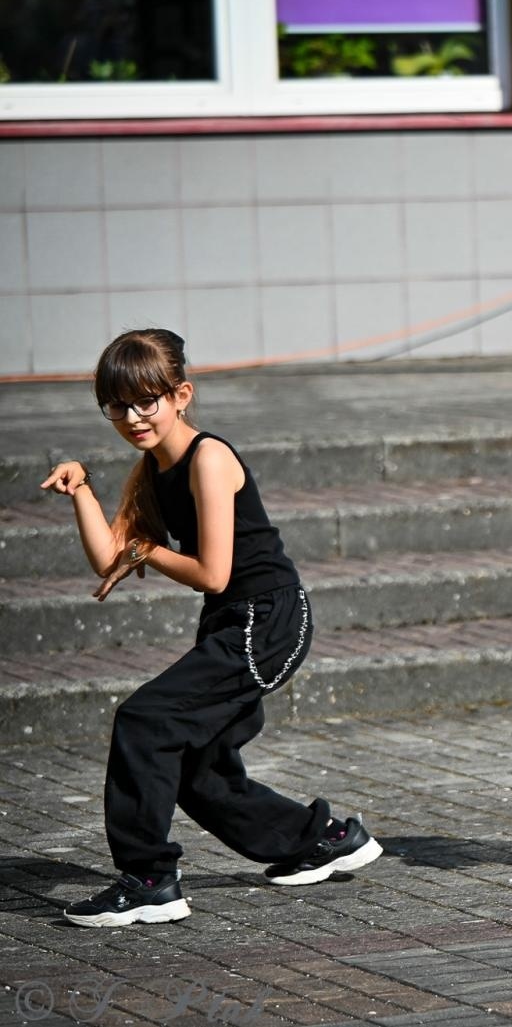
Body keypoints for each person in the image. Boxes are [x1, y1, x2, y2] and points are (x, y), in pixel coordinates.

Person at [40, 329, 381, 927]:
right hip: (236, 622)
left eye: (147, 401)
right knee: (194, 766)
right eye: (117, 405)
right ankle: (321, 839)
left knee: (145, 722)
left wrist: (147, 552)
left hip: (265, 621)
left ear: (181, 395)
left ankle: (149, 880)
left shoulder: (209, 458)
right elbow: (108, 558)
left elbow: (213, 572)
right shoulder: (153, 470)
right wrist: (83, 488)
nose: (132, 416)